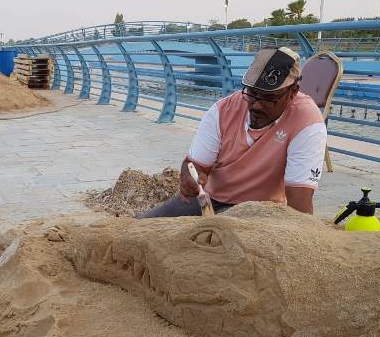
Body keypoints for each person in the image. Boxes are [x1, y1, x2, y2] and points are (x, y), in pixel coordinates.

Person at [140, 47, 327, 217]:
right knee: (141, 226)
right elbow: (195, 165)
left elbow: (299, 204)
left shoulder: (307, 122)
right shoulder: (222, 110)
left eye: (268, 98)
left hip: (263, 211)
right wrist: (190, 176)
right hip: (211, 200)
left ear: (293, 92)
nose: (256, 105)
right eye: (252, 93)